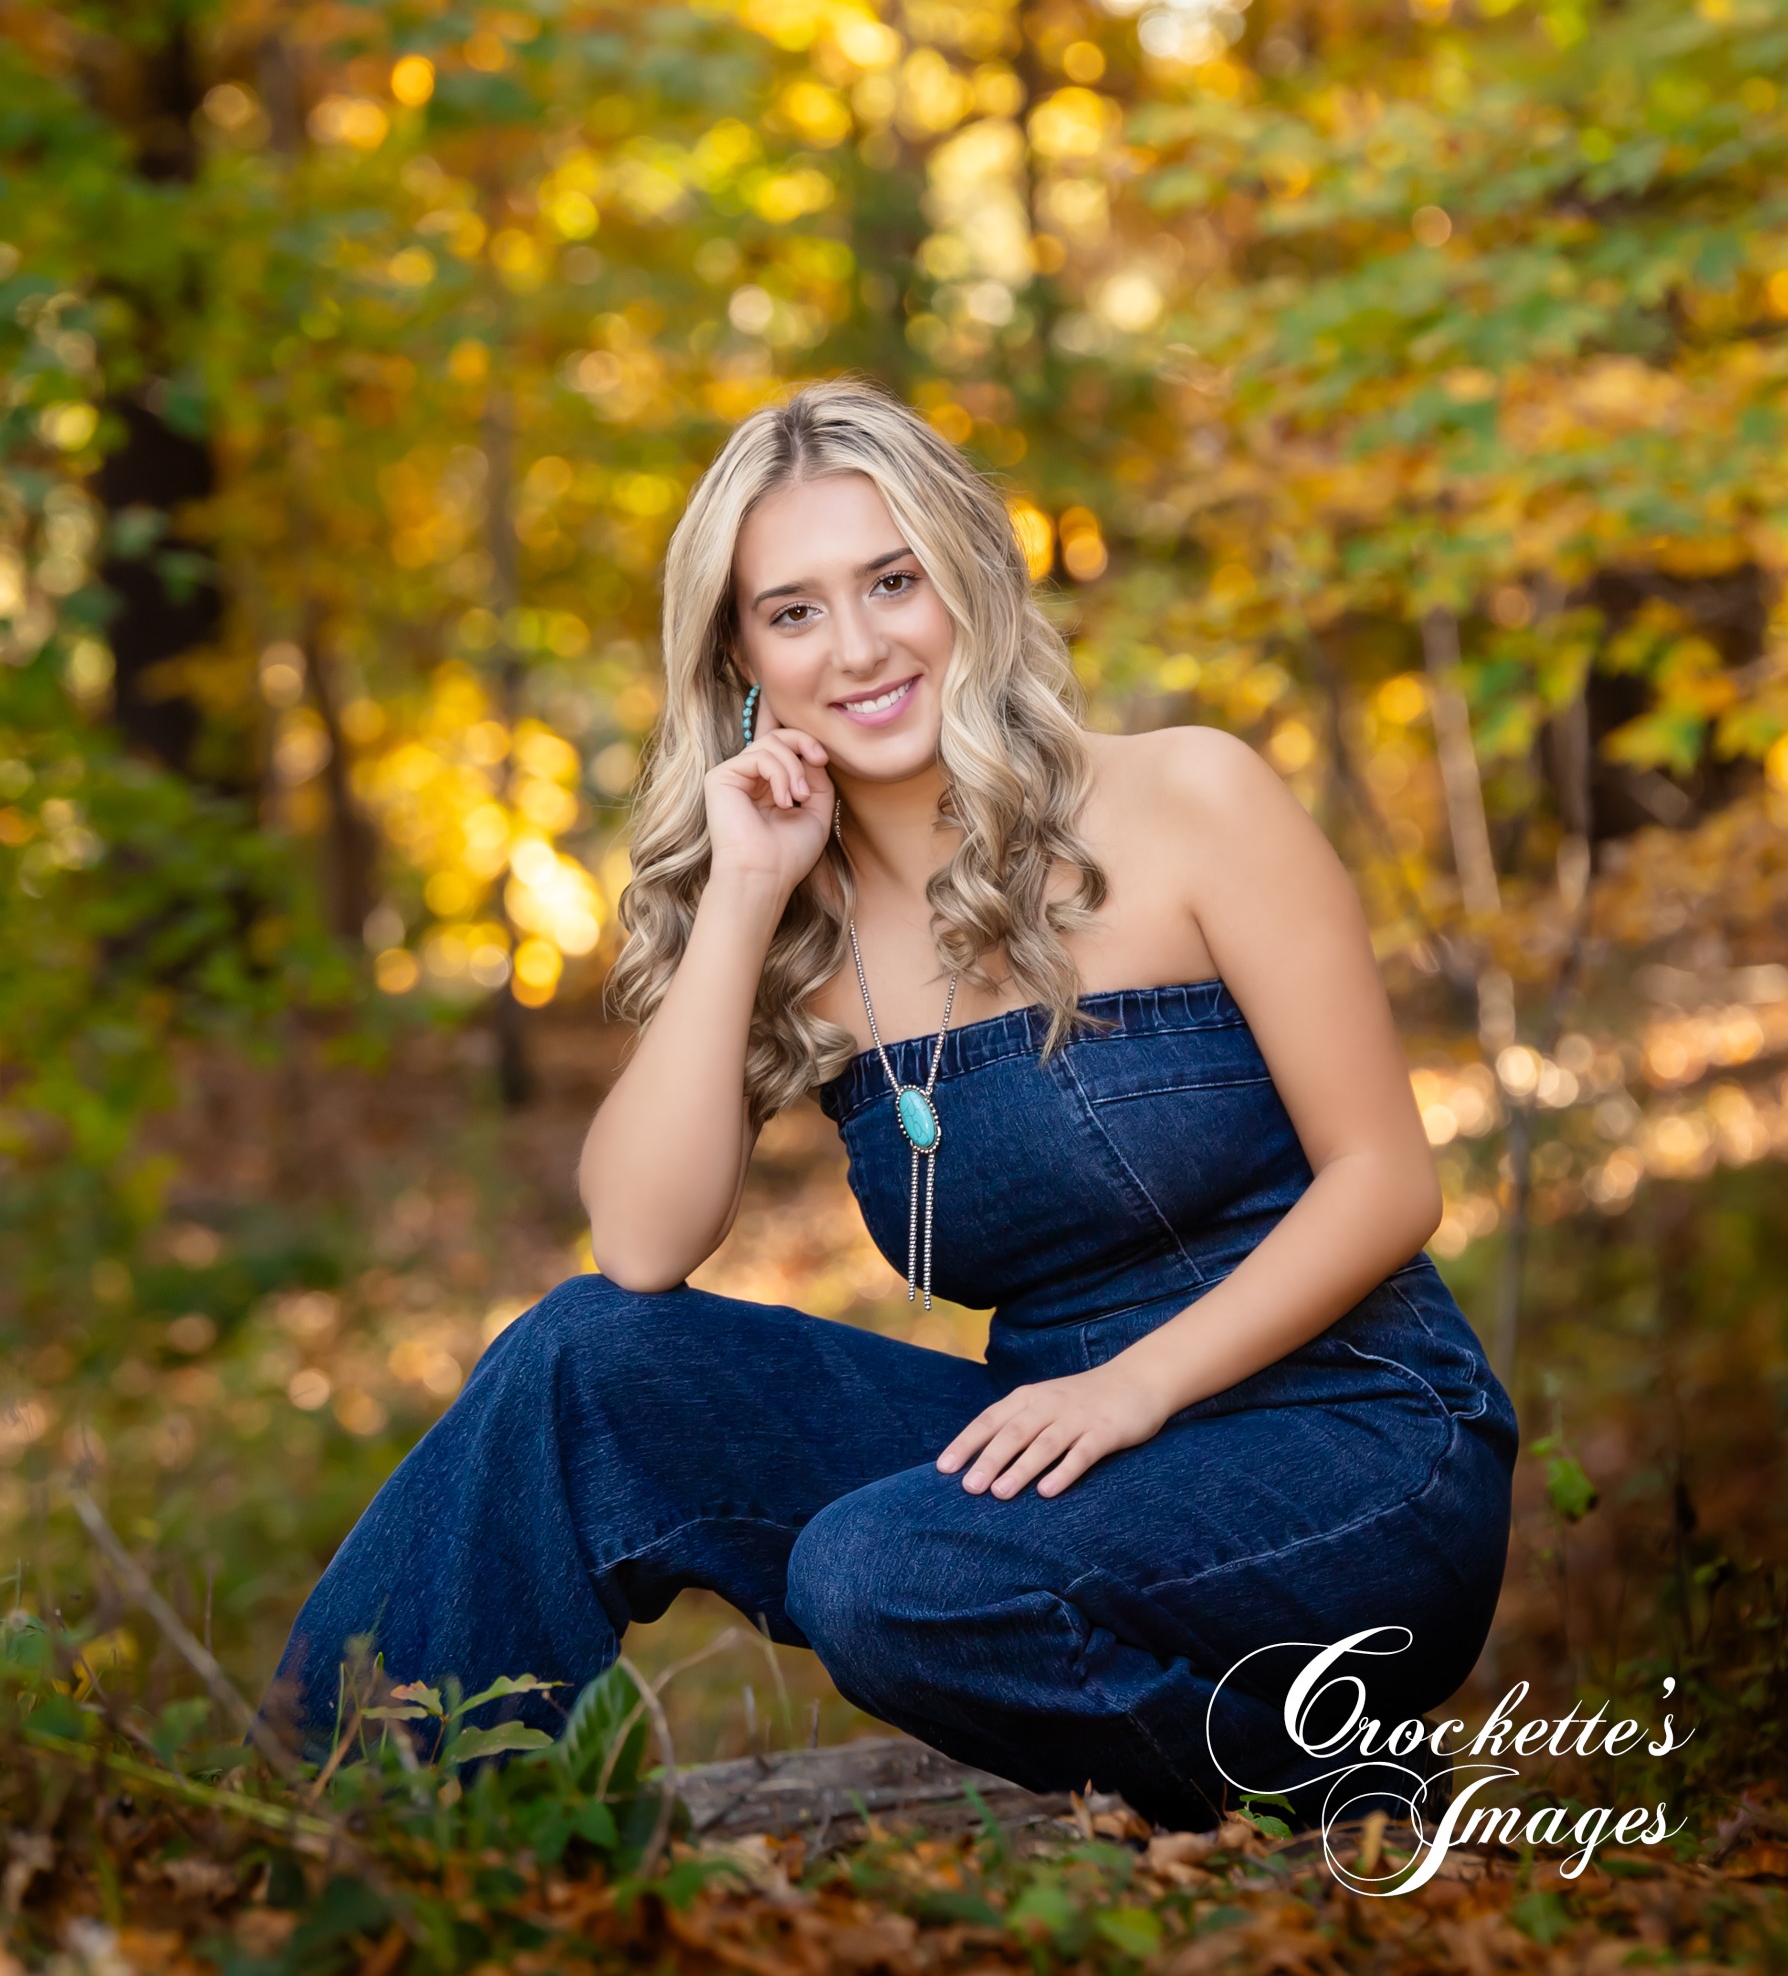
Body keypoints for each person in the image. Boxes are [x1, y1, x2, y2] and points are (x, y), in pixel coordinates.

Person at [269, 378, 1517, 1827]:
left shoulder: (1189, 801)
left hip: (1353, 1441)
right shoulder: (797, 926)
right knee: (586, 1359)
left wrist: (1131, 1391)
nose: (856, 646)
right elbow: (640, 1247)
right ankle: (341, 1819)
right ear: (739, 655)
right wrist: (742, 898)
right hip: (1047, 1446)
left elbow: (1385, 1180)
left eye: (891, 581)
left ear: (967, 583)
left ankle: (1350, 1795)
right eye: (792, 611)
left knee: (885, 1571)